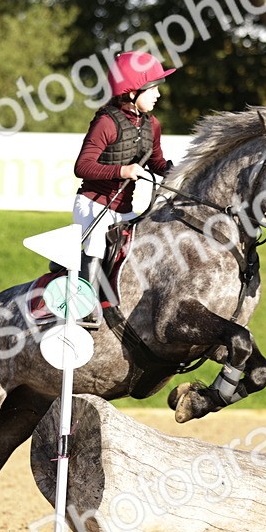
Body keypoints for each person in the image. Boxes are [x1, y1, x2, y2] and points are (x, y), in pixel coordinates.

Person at [71, 51, 176, 326]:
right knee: (95, 244)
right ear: (132, 92)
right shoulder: (106, 122)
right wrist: (123, 171)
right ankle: (84, 307)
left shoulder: (152, 125)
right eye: (153, 88)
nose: (158, 95)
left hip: (124, 211)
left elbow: (156, 161)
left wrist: (176, 172)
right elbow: (82, 166)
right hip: (94, 204)